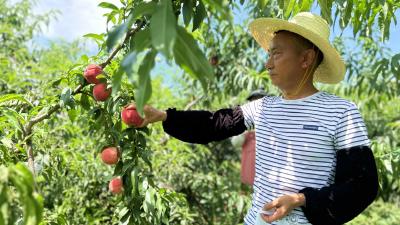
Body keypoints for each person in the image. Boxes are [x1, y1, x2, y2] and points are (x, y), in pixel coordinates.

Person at [135, 12, 379, 225]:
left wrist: (302, 199)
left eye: (276, 54)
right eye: (269, 54)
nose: (267, 63)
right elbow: (213, 124)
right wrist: (165, 116)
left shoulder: (341, 112)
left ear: (306, 59)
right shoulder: (263, 107)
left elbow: (362, 186)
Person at [231, 89, 269, 186]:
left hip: (268, 180)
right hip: (248, 178)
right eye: (254, 101)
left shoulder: (272, 122)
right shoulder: (245, 122)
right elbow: (235, 143)